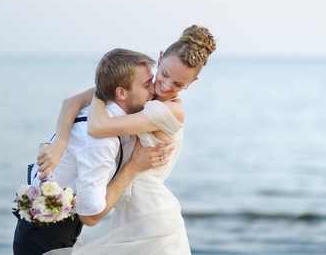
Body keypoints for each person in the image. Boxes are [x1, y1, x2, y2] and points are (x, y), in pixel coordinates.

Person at [42, 25, 216, 254]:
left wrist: (103, 88)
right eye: (163, 74)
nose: (165, 87)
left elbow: (97, 127)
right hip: (130, 215)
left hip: (151, 217)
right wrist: (60, 142)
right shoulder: (141, 90)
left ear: (192, 83)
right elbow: (70, 103)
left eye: (178, 85)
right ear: (160, 58)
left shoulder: (170, 110)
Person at [13, 49, 174, 255]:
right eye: (146, 85)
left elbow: (70, 101)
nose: (154, 90)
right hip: (45, 245)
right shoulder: (102, 140)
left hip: (40, 232)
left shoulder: (101, 106)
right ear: (121, 93)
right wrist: (134, 166)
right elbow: (91, 217)